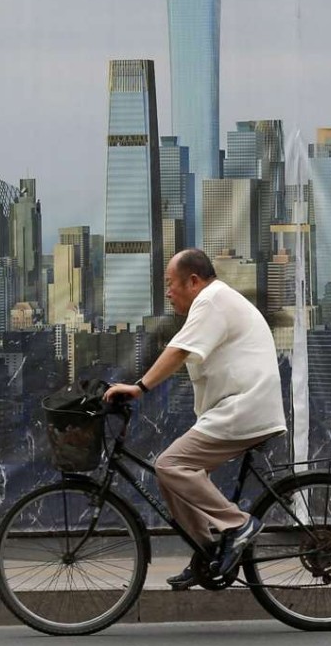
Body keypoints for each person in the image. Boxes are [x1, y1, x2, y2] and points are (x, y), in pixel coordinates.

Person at [103, 248, 287, 588]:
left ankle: (237, 525)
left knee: (170, 465)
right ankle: (208, 552)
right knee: (172, 475)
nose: (168, 293)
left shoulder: (212, 299)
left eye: (171, 284)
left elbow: (179, 349)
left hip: (243, 409)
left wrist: (139, 387)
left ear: (193, 280)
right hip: (235, 409)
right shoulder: (216, 302)